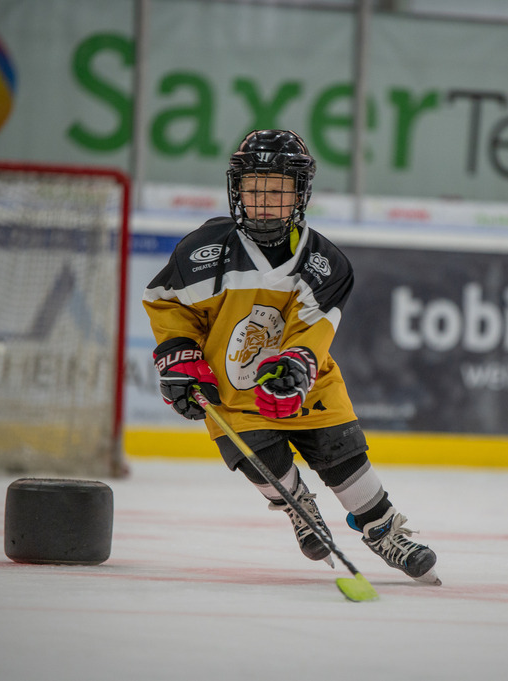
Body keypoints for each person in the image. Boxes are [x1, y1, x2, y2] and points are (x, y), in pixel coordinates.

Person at [143, 130, 439, 584]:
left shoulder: (325, 262)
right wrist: (178, 354)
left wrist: (296, 365)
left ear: (299, 194)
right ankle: (298, 507)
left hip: (307, 382)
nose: (263, 201)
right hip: (230, 390)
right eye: (253, 189)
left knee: (342, 457)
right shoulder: (203, 252)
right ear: (236, 191)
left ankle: (382, 529)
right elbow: (169, 304)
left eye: (277, 190)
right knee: (254, 453)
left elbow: (314, 329)